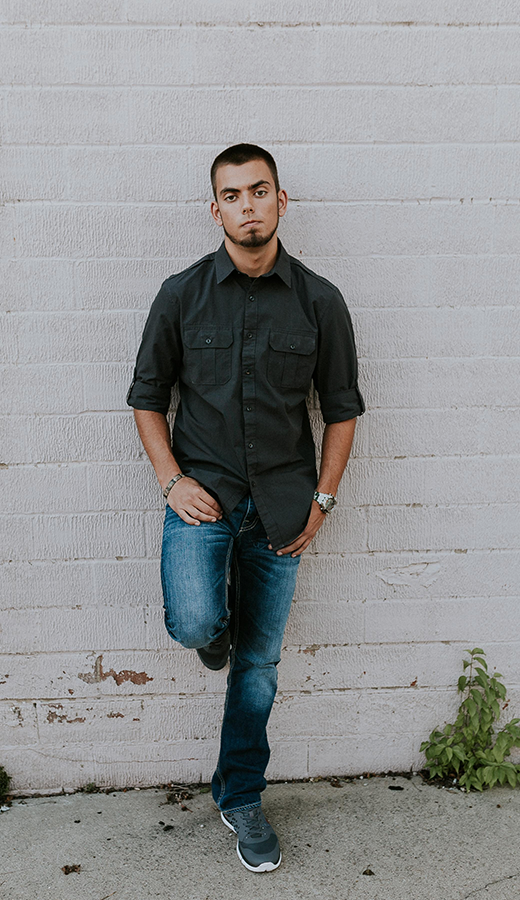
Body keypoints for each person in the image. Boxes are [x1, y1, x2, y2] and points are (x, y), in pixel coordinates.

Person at [128, 143, 364, 873]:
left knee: (257, 670)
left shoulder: (320, 300)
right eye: (232, 195)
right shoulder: (181, 294)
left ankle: (241, 796)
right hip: (204, 497)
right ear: (216, 209)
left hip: (285, 508)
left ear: (281, 201)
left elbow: (344, 409)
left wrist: (323, 500)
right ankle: (213, 631)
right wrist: (172, 481)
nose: (248, 206)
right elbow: (145, 398)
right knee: (197, 620)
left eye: (259, 191)